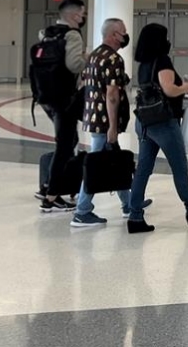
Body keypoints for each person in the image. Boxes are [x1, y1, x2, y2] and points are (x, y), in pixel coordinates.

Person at [127, 23, 188, 233]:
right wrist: (186, 87)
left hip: (145, 121)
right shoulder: (162, 60)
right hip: (163, 122)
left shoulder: (144, 63)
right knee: (179, 167)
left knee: (143, 170)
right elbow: (169, 89)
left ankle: (135, 216)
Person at [71, 18, 137, 228]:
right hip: (104, 122)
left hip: (92, 116)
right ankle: (82, 211)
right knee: (96, 165)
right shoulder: (113, 58)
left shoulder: (93, 56)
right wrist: (113, 127)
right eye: (123, 32)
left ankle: (129, 203)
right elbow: (111, 95)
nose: (125, 36)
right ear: (113, 35)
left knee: (114, 159)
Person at [38, 0, 87, 213]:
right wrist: (88, 55)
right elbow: (74, 64)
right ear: (75, 16)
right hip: (64, 99)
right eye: (82, 14)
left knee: (68, 141)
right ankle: (51, 196)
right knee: (65, 146)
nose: (83, 18)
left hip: (46, 97)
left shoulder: (47, 33)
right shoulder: (72, 35)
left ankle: (51, 186)